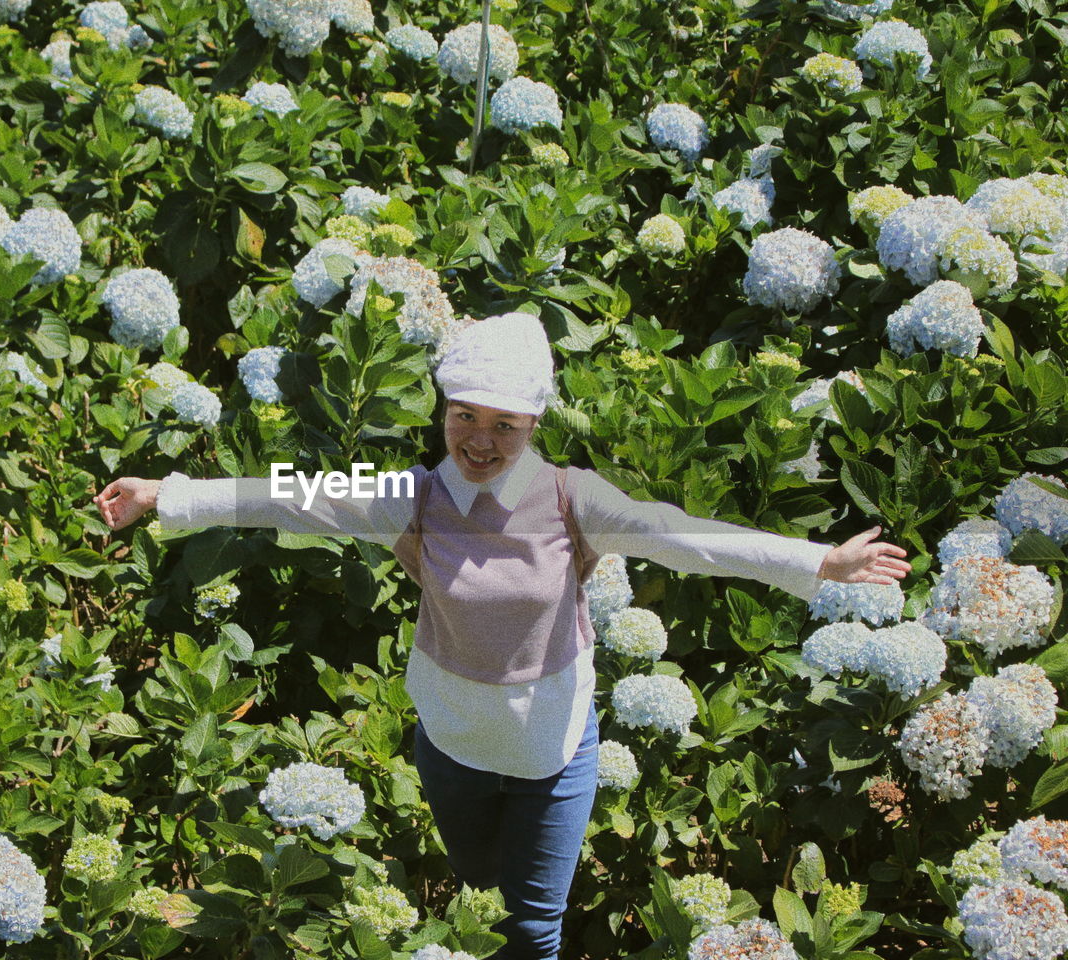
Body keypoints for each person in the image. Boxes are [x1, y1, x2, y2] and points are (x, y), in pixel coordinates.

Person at [91, 312, 911, 960]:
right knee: (477, 882)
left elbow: (681, 534)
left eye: (506, 423)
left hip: (555, 748)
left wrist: (818, 562)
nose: (480, 438)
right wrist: (168, 492)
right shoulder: (408, 494)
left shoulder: (571, 499)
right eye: (464, 416)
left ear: (535, 422)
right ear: (444, 411)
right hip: (450, 741)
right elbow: (293, 494)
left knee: (533, 931)